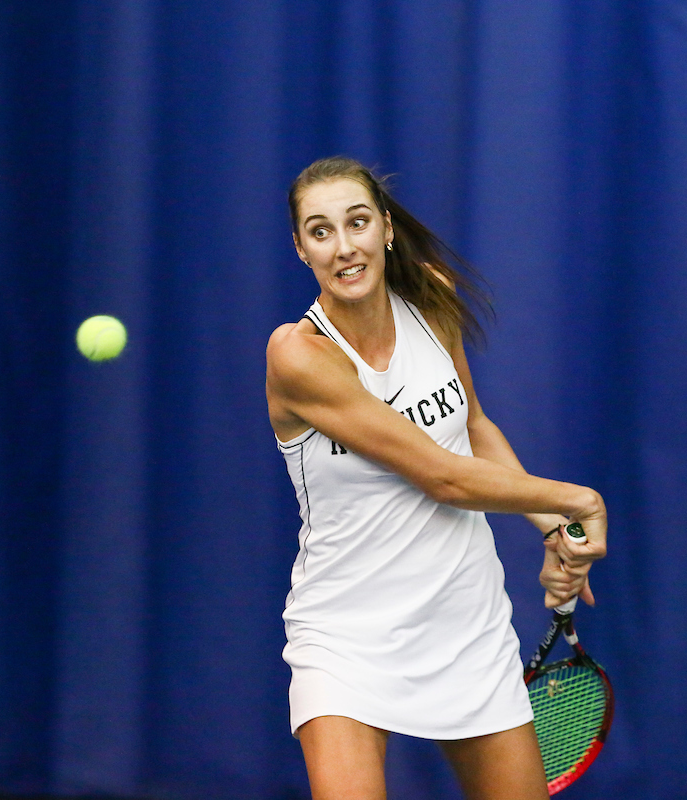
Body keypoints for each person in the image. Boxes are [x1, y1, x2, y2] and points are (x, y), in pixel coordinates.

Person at [265, 156, 608, 800]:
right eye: (320, 231)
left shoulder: (430, 294)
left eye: (358, 222)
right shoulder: (297, 356)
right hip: (348, 636)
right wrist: (577, 500)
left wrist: (549, 527)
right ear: (300, 248)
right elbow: (444, 477)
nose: (344, 247)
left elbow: (472, 428)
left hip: (465, 622)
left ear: (386, 228)